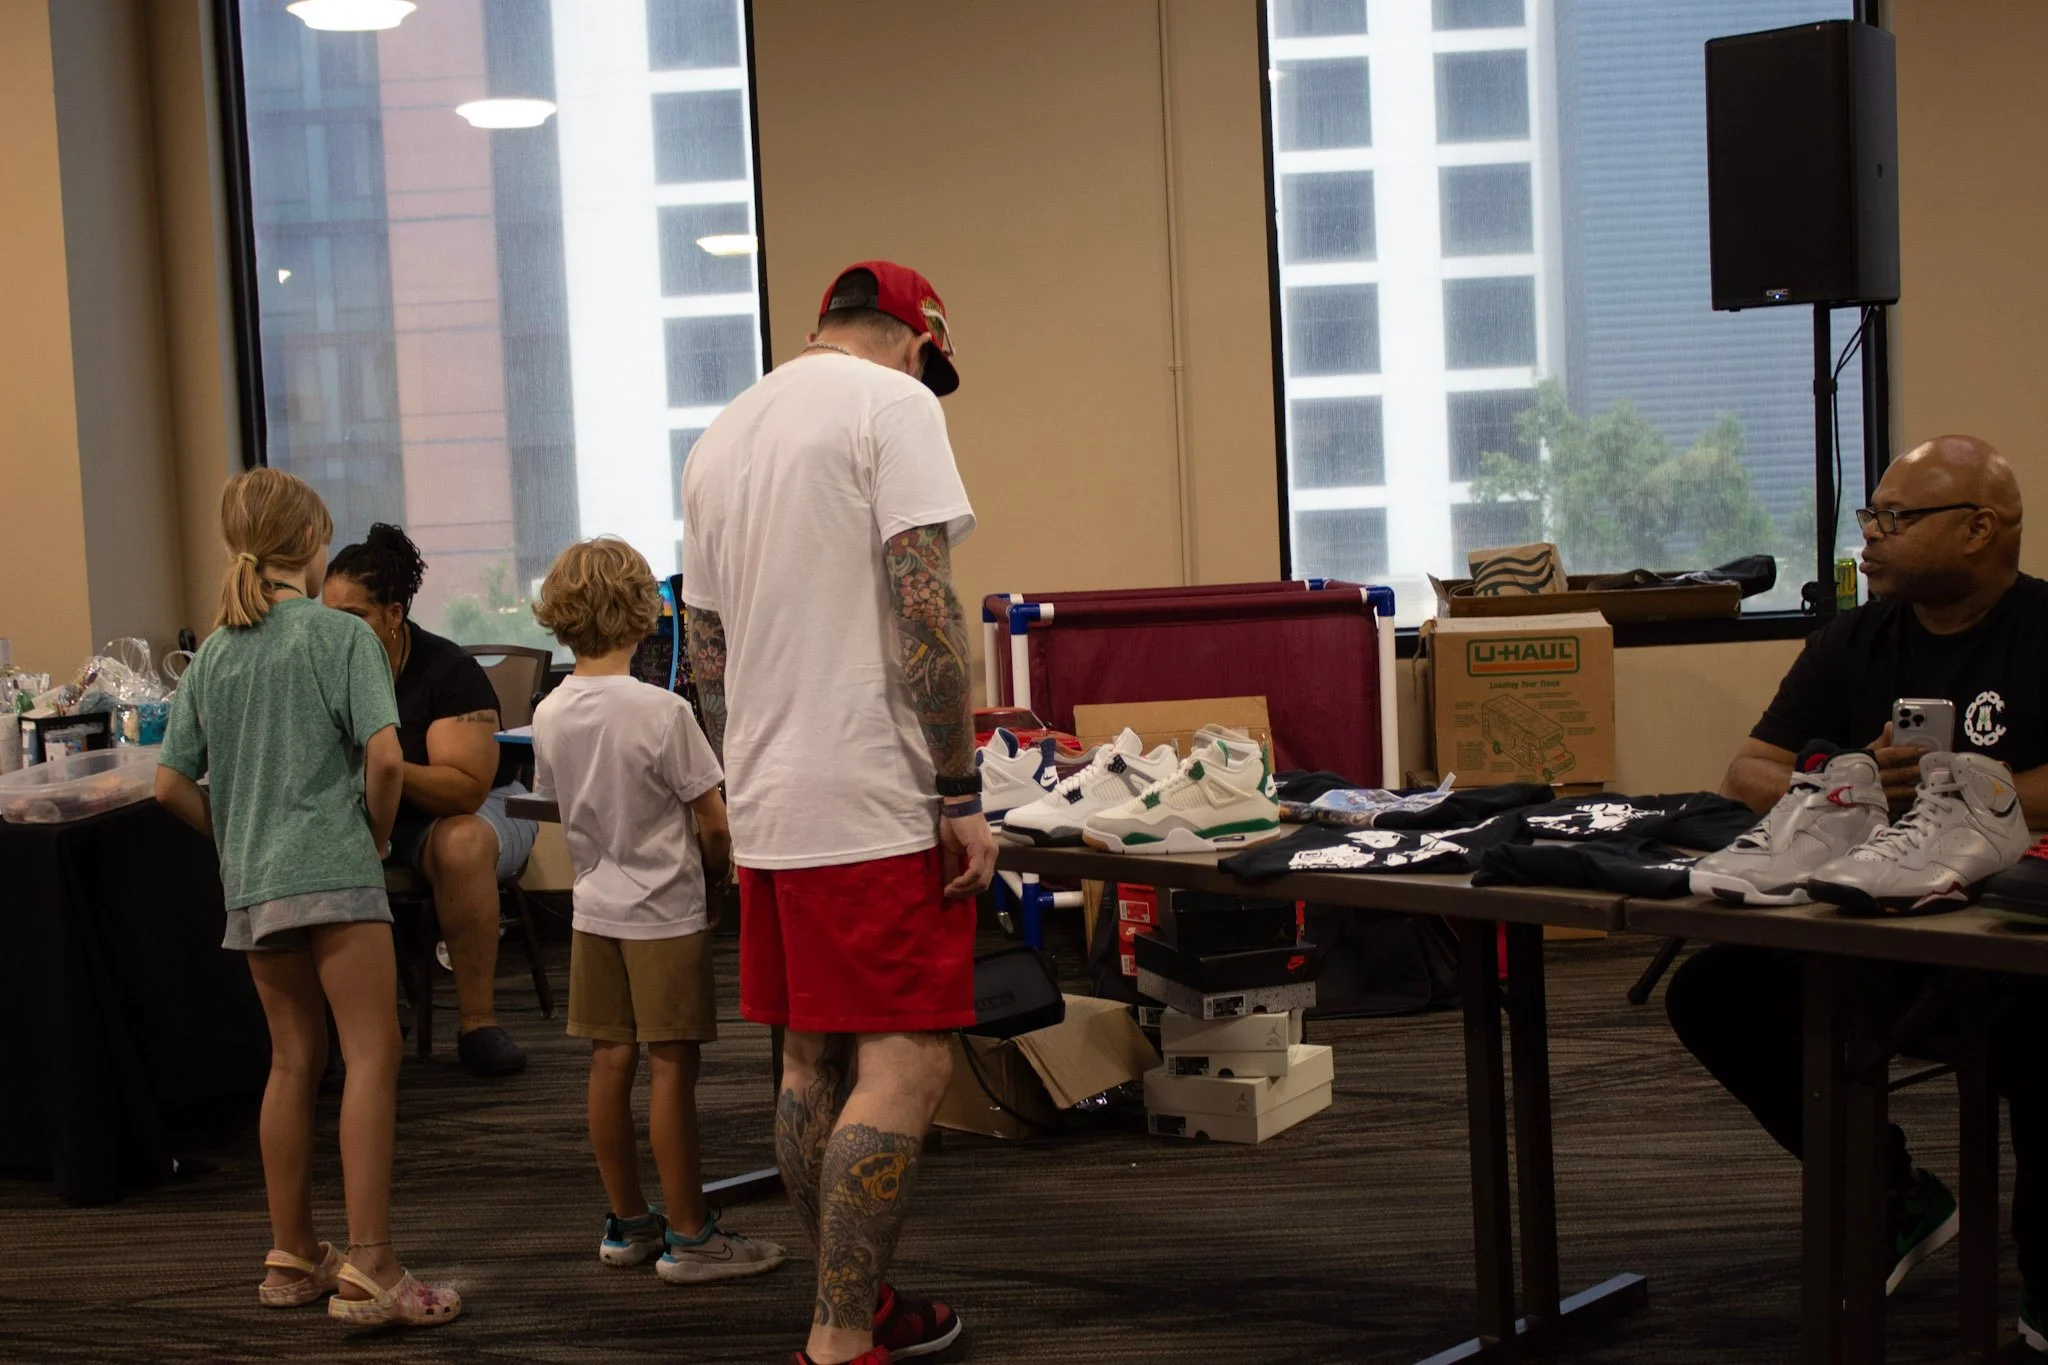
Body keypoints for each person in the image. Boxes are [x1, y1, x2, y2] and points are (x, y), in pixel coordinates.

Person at [681, 261, 996, 1365]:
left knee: (809, 1062)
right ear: (914, 340)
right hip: (872, 797)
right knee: (906, 1066)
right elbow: (926, 603)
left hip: (771, 798)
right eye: (928, 358)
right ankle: (837, 1336)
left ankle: (858, 1302)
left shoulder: (719, 437)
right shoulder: (892, 404)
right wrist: (959, 791)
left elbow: (706, 657)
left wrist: (750, 777)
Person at [1667, 435, 2048, 1347]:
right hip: (1871, 921)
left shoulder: (2042, 632)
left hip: (2007, 929)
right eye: (1871, 515)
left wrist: (1966, 795)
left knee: (2046, 1035)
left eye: (1895, 517)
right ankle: (1894, 1198)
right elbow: (1747, 769)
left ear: (1980, 529)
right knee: (1713, 992)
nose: (1867, 536)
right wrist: (1849, 780)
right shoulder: (1855, 637)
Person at [154, 469, 460, 1328]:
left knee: (293, 1060)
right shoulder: (338, 637)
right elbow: (388, 761)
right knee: (371, 1053)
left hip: (254, 884)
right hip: (333, 869)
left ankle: (292, 1254)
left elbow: (169, 783)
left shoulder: (214, 652)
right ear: (311, 543)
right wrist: (368, 836)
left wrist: (236, 832)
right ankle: (373, 1264)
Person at [528, 536, 785, 1285]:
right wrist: (717, 882)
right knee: (673, 1068)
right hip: (664, 914)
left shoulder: (550, 712)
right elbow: (712, 822)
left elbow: (558, 797)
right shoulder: (665, 712)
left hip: (592, 911)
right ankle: (691, 1234)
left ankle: (628, 1222)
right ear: (645, 613)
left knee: (610, 1062)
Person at [322, 524, 537, 1078]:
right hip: (372, 813)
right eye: (328, 617)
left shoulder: (446, 671)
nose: (336, 631)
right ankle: (335, 1042)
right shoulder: (323, 671)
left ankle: (478, 1025)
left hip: (475, 811)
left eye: (354, 618)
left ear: (393, 615)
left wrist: (380, 767)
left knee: (461, 843)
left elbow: (464, 788)